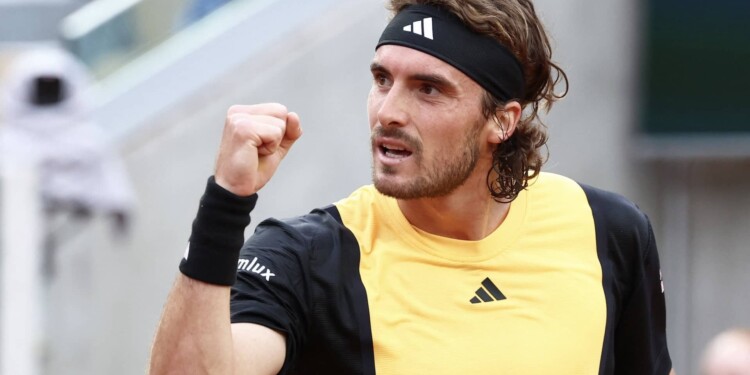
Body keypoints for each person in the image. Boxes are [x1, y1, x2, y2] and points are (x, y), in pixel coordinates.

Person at [149, 0, 674, 373]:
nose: (389, 112)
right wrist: (226, 203)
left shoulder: (608, 229)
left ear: (502, 121)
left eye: (428, 89)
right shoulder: (308, 257)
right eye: (382, 79)